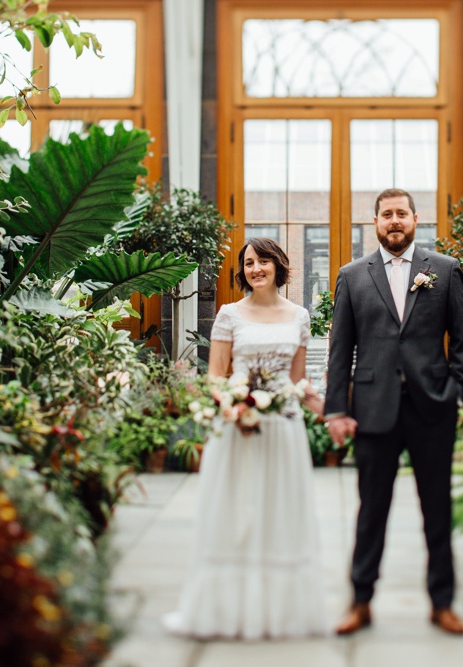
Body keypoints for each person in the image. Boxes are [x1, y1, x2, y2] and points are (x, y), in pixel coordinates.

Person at [324, 188, 463, 636]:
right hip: (374, 410)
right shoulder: (351, 276)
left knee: (437, 509)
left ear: (415, 219)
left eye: (401, 214)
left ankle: (442, 603)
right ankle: (361, 601)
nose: (394, 221)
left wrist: (457, 392)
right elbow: (340, 349)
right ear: (374, 222)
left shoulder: (444, 271)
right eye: (386, 214)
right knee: (372, 510)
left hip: (432, 408)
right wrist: (337, 408)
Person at [163, 238, 327, 640]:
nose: (255, 269)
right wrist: (232, 408)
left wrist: (331, 412)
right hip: (238, 428)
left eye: (263, 261)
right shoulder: (228, 315)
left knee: (279, 515)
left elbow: (296, 381)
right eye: (249, 263)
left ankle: (278, 612)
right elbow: (216, 376)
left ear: (278, 266)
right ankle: (226, 610)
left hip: (283, 429)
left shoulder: (299, 316)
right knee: (237, 516)